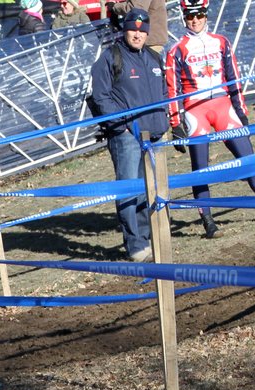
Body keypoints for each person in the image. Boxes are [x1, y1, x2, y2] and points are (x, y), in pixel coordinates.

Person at [165, 0, 255, 237]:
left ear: (206, 15)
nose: (195, 20)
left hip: (224, 106)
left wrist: (241, 109)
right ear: (184, 17)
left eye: (200, 15)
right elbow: (172, 89)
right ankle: (208, 220)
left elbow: (233, 77)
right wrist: (175, 124)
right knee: (200, 168)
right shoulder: (176, 50)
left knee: (248, 158)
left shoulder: (221, 41)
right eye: (190, 16)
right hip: (196, 111)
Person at [88, 8, 168, 262]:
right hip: (127, 137)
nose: (137, 35)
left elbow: (164, 92)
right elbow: (101, 96)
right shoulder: (110, 58)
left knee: (149, 189)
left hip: (153, 135)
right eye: (132, 29)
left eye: (142, 31)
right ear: (125, 30)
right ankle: (135, 245)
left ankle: (148, 237)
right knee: (129, 190)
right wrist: (121, 125)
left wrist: (164, 120)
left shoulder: (154, 59)